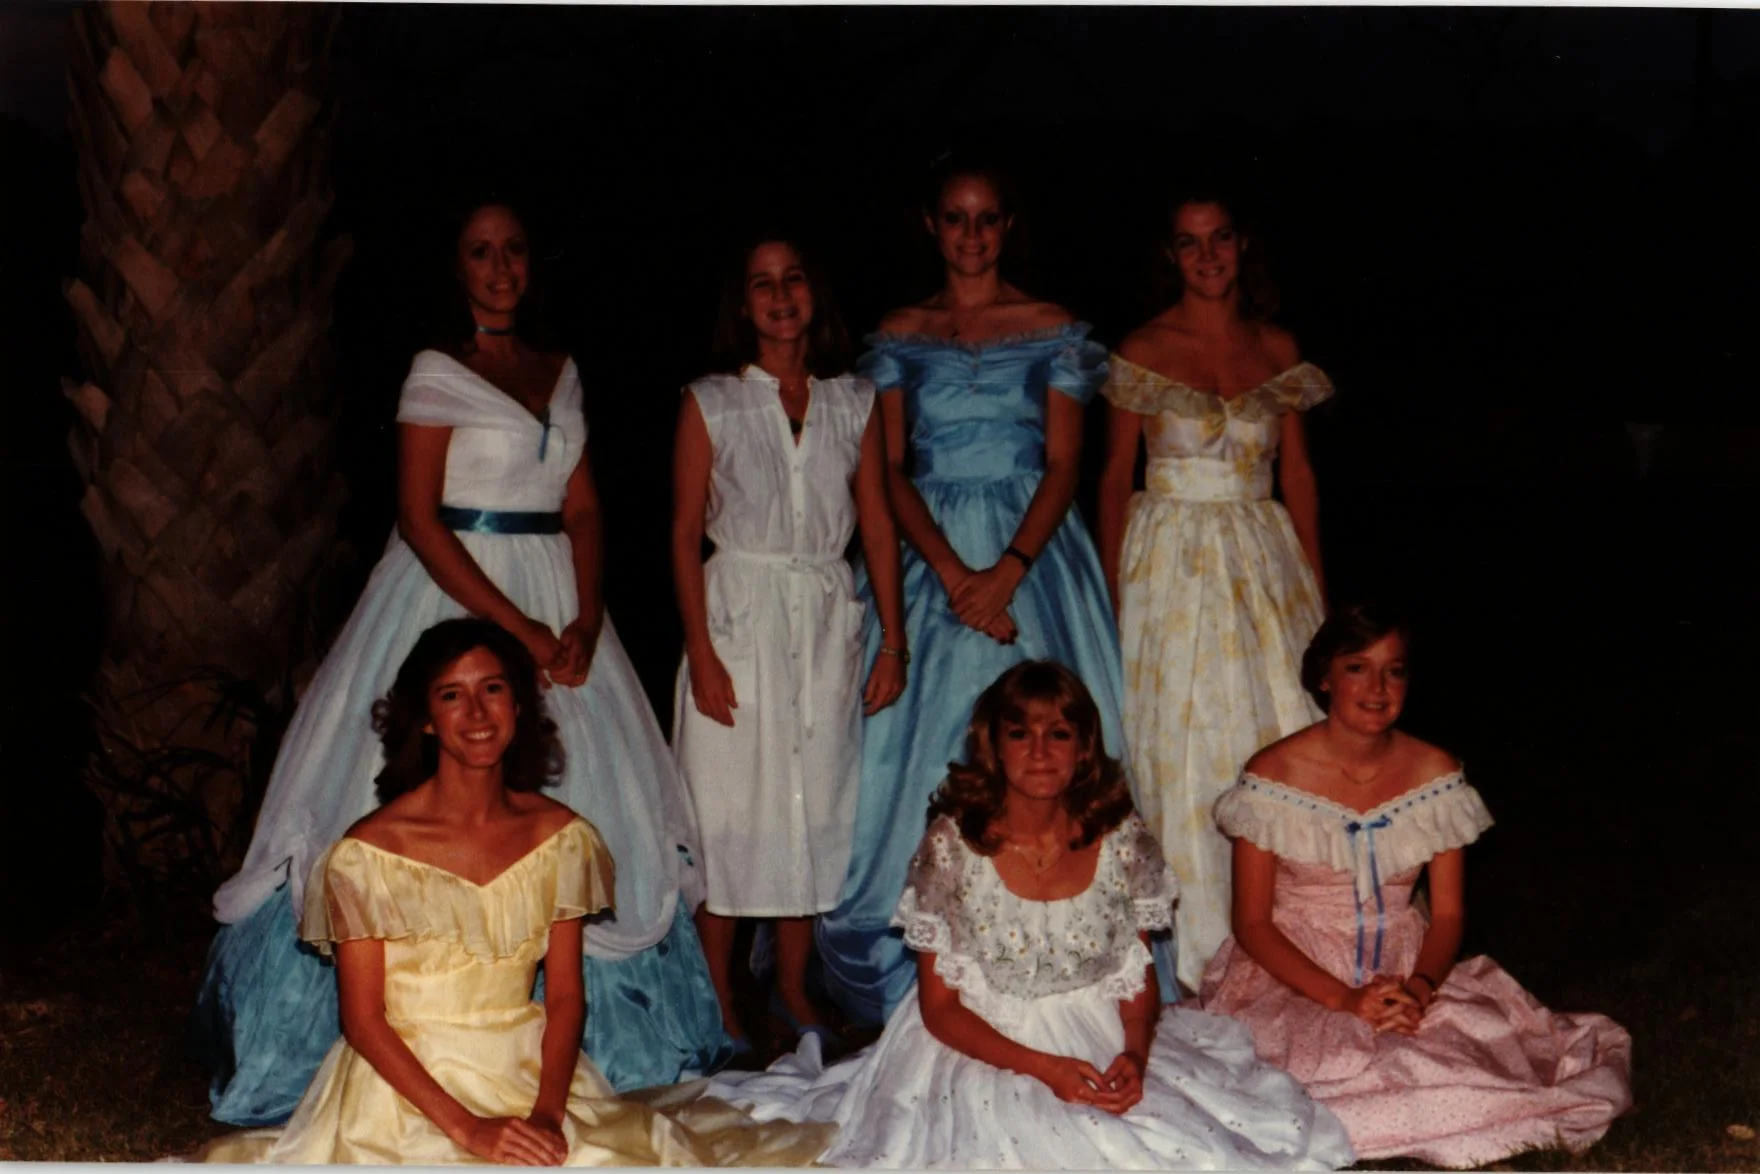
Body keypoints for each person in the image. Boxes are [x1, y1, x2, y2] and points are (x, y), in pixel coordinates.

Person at [193, 200, 725, 1125]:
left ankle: (584, 1040)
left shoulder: (561, 372)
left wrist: (584, 616)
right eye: (482, 253)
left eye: (514, 250)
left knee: (591, 789)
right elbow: (418, 516)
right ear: (458, 268)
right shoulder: (435, 373)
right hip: (457, 587)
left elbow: (584, 508)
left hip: (557, 588)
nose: (501, 267)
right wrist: (520, 631)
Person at [200, 620, 830, 1165]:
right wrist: (469, 1128)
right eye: (452, 695)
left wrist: (549, 1115)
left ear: (520, 705)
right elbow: (362, 1021)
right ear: (425, 718)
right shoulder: (368, 853)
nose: (477, 713)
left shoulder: (561, 839)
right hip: (401, 1095)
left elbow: (565, 997)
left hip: (527, 1076)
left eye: (493, 689)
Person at [707, 661, 1355, 1169]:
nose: (1040, 751)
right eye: (1020, 733)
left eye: (1058, 734)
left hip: (1094, 1028)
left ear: (1083, 748)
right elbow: (940, 1010)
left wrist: (1134, 1055)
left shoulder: (1121, 840)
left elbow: (1134, 983)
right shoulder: (953, 846)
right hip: (973, 1039)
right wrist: (1046, 1068)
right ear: (994, 745)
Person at [817, 161, 1139, 1025]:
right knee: (904, 747)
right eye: (956, 219)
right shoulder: (900, 334)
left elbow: (1065, 464)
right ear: (931, 225)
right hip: (929, 551)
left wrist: (1007, 570)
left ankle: (1057, 947)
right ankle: (918, 961)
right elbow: (888, 469)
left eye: (987, 219)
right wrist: (956, 576)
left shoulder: (1052, 328)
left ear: (1007, 226)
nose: (972, 236)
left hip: (1033, 553)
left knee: (1052, 735)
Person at [1199, 603, 1633, 1167]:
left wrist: (1420, 990)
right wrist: (1344, 999)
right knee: (1312, 1072)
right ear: (1325, 677)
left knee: (1456, 1063)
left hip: (1405, 963)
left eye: (1395, 671)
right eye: (1358, 668)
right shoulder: (1272, 775)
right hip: (1295, 971)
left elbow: (1447, 915)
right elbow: (1253, 924)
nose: (1378, 689)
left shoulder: (1435, 772)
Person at [670, 234, 907, 1054]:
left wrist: (893, 641)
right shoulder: (712, 401)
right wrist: (701, 651)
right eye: (762, 283)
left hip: (824, 618)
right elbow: (682, 533)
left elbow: (877, 523)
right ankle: (719, 998)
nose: (780, 296)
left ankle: (793, 988)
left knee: (812, 807)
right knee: (731, 813)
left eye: (793, 279)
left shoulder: (853, 401)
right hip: (739, 619)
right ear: (743, 304)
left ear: (814, 293)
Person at [1097, 188, 1332, 989]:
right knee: (1182, 740)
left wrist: (1317, 595)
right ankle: (1194, 956)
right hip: (1170, 562)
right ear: (1171, 255)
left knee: (1275, 728)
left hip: (1263, 562)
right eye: (1190, 242)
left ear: (1242, 244)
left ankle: (1287, 945)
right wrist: (1111, 595)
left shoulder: (1277, 346)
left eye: (1220, 238)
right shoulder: (1142, 348)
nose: (1208, 256)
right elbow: (1112, 480)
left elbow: (1299, 477)